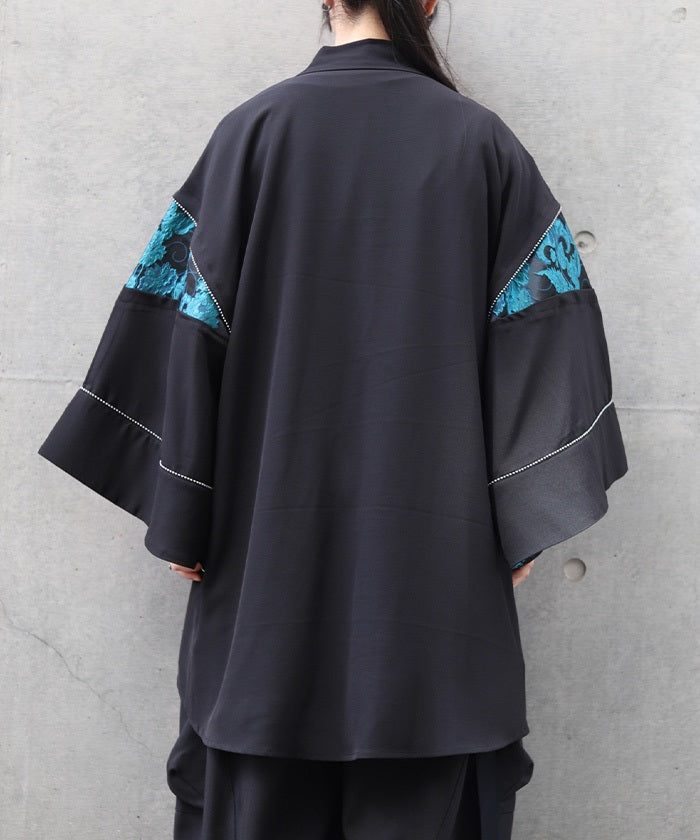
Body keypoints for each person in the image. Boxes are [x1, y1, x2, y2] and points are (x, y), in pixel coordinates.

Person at [37, 1, 628, 837]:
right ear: (430, 2)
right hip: (434, 609)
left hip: (261, 597)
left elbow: (184, 328)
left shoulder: (251, 136)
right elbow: (544, 338)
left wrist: (182, 508)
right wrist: (526, 516)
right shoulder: (481, 145)